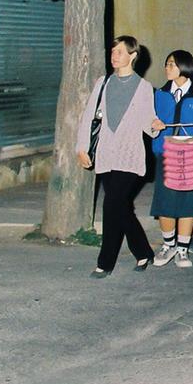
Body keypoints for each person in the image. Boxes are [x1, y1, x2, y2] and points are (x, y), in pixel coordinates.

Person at [77, 36, 165, 278]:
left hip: (130, 155)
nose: (114, 55)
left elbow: (149, 122)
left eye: (119, 51)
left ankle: (105, 262)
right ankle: (144, 251)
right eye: (113, 51)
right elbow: (88, 117)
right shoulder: (102, 83)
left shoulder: (144, 87)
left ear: (132, 56)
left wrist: (155, 124)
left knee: (112, 204)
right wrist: (81, 147)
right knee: (121, 207)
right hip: (106, 153)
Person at [149, 50, 193, 268]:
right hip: (166, 155)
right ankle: (168, 245)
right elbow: (149, 122)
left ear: (184, 67)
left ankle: (183, 250)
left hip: (192, 156)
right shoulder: (159, 95)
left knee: (189, 202)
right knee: (166, 202)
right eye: (166, 64)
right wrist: (153, 126)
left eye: (171, 64)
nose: (167, 68)